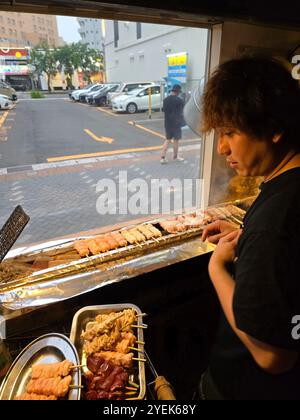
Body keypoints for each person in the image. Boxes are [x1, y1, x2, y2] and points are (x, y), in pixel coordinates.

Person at [192, 56, 300, 400]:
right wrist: (247, 230)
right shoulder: (286, 185)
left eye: (230, 133)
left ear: (273, 127)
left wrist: (217, 268)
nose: (222, 148)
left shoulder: (275, 224)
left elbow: (274, 355)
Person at [160, 84, 185, 164]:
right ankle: (175, 156)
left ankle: (162, 158)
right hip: (176, 124)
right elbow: (182, 112)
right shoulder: (179, 101)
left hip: (167, 123)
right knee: (176, 141)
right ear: (178, 92)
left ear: (172, 91)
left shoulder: (165, 100)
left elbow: (164, 110)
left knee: (167, 140)